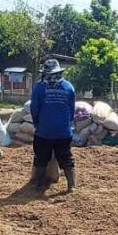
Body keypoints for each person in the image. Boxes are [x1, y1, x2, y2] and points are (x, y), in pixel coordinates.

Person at [29, 59, 77, 193]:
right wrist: (67, 123)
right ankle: (71, 185)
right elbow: (72, 109)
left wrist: (37, 124)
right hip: (63, 131)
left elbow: (34, 109)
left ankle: (39, 184)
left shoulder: (39, 87)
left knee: (41, 157)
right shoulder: (68, 87)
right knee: (66, 157)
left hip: (43, 131)